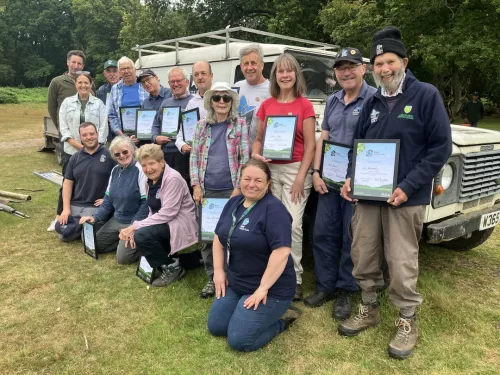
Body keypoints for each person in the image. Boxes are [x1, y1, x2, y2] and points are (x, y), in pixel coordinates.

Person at [338, 26, 452, 360]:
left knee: (401, 261)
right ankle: (369, 307)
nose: (384, 69)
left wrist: (408, 186)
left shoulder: (426, 95)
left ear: (404, 61)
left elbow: (439, 148)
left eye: (390, 61)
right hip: (369, 196)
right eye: (378, 64)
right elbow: (357, 148)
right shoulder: (371, 100)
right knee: (363, 252)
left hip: (406, 197)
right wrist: (350, 177)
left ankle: (406, 320)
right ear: (371, 68)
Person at [304, 48, 377, 319]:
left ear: (363, 69)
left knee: (351, 237)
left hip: (356, 182)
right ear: (335, 73)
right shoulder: (333, 100)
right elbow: (324, 137)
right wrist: (316, 171)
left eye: (351, 66)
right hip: (330, 179)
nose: (346, 72)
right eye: (340, 68)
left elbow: (375, 143)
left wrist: (358, 178)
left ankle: (346, 289)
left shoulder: (374, 99)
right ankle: (326, 286)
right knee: (323, 233)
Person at [207, 159, 301, 352]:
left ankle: (280, 322)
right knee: (216, 327)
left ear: (268, 184)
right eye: (247, 179)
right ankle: (244, 311)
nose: (251, 184)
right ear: (240, 180)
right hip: (237, 282)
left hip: (270, 289)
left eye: (258, 180)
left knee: (239, 341)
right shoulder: (234, 202)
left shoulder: (275, 210)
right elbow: (218, 237)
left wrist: (262, 289)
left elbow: (282, 252)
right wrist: (218, 271)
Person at [252, 53, 316, 301]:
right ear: (274, 76)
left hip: (295, 170)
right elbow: (258, 141)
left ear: (296, 75)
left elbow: (310, 146)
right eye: (281, 71)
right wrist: (258, 156)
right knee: (271, 224)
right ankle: (272, 274)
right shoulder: (266, 105)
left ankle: (295, 277)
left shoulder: (304, 105)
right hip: (270, 171)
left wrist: (301, 177)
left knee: (293, 225)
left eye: (290, 71)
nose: (285, 75)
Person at [189, 82, 249, 298]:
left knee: (232, 236)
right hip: (207, 191)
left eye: (226, 98)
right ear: (211, 102)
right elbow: (194, 156)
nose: (222, 101)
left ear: (232, 102)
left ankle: (232, 277)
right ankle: (212, 277)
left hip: (230, 190)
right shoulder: (200, 126)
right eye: (217, 98)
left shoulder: (240, 125)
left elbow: (245, 158)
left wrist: (238, 187)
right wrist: (196, 185)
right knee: (208, 237)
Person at [118, 144, 198, 287]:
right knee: (142, 233)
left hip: (180, 222)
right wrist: (140, 225)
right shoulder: (148, 180)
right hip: (165, 221)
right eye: (144, 165)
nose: (148, 169)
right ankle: (190, 259)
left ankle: (173, 268)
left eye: (152, 163)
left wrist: (136, 226)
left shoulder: (173, 178)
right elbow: (152, 209)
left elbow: (169, 213)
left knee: (142, 235)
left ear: (162, 162)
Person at [79, 136, 149, 264]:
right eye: (117, 154)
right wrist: (95, 217)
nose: (122, 156)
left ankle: (140, 242)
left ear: (133, 150)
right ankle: (121, 242)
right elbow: (107, 201)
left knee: (123, 259)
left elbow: (145, 204)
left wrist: (133, 227)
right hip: (117, 219)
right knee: (92, 244)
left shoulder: (140, 171)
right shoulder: (115, 170)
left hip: (133, 221)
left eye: (125, 152)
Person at [53, 71, 108, 230]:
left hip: (95, 149)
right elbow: (63, 127)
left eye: (86, 83)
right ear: (75, 84)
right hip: (71, 150)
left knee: (94, 180)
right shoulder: (67, 103)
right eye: (80, 83)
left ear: (91, 85)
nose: (83, 85)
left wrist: (95, 145)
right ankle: (62, 213)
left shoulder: (98, 103)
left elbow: (103, 127)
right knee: (68, 182)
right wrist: (79, 146)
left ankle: (94, 212)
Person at [56, 122, 116, 242]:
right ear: (80, 137)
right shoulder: (74, 158)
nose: (89, 137)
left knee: (75, 235)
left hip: (95, 207)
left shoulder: (110, 155)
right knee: (62, 231)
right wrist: (66, 209)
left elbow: (119, 181)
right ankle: (81, 226)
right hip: (76, 205)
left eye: (91, 134)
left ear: (97, 134)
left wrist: (108, 199)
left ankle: (83, 226)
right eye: (85, 135)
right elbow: (67, 184)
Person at [175, 61, 214, 189]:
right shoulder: (191, 103)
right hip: (197, 164)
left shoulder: (221, 98)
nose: (200, 77)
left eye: (203, 73)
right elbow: (181, 133)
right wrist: (182, 145)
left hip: (216, 161)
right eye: (196, 74)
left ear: (211, 75)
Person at [151, 67, 193, 169]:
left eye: (178, 80)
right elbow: (156, 124)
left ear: (187, 82)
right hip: (167, 152)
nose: (175, 84)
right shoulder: (166, 103)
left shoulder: (194, 101)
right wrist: (155, 137)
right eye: (172, 82)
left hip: (186, 154)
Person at [233, 44, 270, 145]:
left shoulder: (272, 90)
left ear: (261, 65)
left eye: (253, 63)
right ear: (241, 66)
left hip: (259, 154)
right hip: (236, 152)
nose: (249, 67)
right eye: (246, 64)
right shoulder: (236, 87)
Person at [107, 56, 149, 142]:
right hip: (124, 139)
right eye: (123, 69)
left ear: (134, 69)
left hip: (146, 136)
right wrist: (122, 135)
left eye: (128, 68)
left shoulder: (146, 85)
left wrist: (142, 134)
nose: (126, 71)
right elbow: (111, 115)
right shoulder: (115, 89)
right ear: (119, 72)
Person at [47, 50, 86, 130]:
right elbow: (52, 108)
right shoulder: (57, 82)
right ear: (68, 62)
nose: (76, 66)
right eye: (73, 62)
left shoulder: (88, 83)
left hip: (86, 131)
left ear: (83, 66)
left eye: (79, 63)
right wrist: (60, 127)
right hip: (66, 130)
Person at [96, 59, 120, 143]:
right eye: (109, 71)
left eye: (114, 71)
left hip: (122, 131)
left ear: (119, 72)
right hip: (108, 133)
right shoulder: (101, 90)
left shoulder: (125, 87)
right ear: (105, 74)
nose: (112, 74)